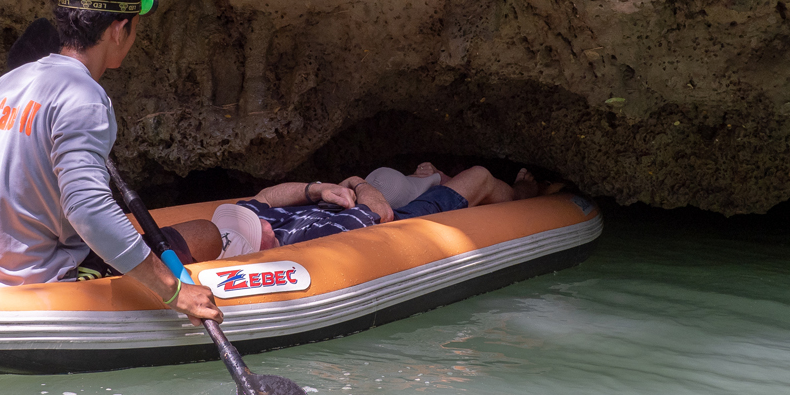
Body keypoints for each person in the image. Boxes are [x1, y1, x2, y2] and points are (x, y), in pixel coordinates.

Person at [0, 0, 221, 325]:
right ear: (119, 29)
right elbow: (88, 210)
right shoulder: (85, 98)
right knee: (207, 234)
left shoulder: (7, 84)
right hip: (35, 283)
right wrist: (175, 290)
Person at [209, 164, 543, 258]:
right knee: (480, 176)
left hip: (340, 201)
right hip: (401, 220)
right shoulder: (322, 238)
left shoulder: (259, 223)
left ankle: (429, 174)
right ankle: (527, 193)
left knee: (397, 175)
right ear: (261, 248)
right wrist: (356, 183)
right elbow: (379, 212)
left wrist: (317, 189)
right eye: (255, 231)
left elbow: (265, 196)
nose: (258, 223)